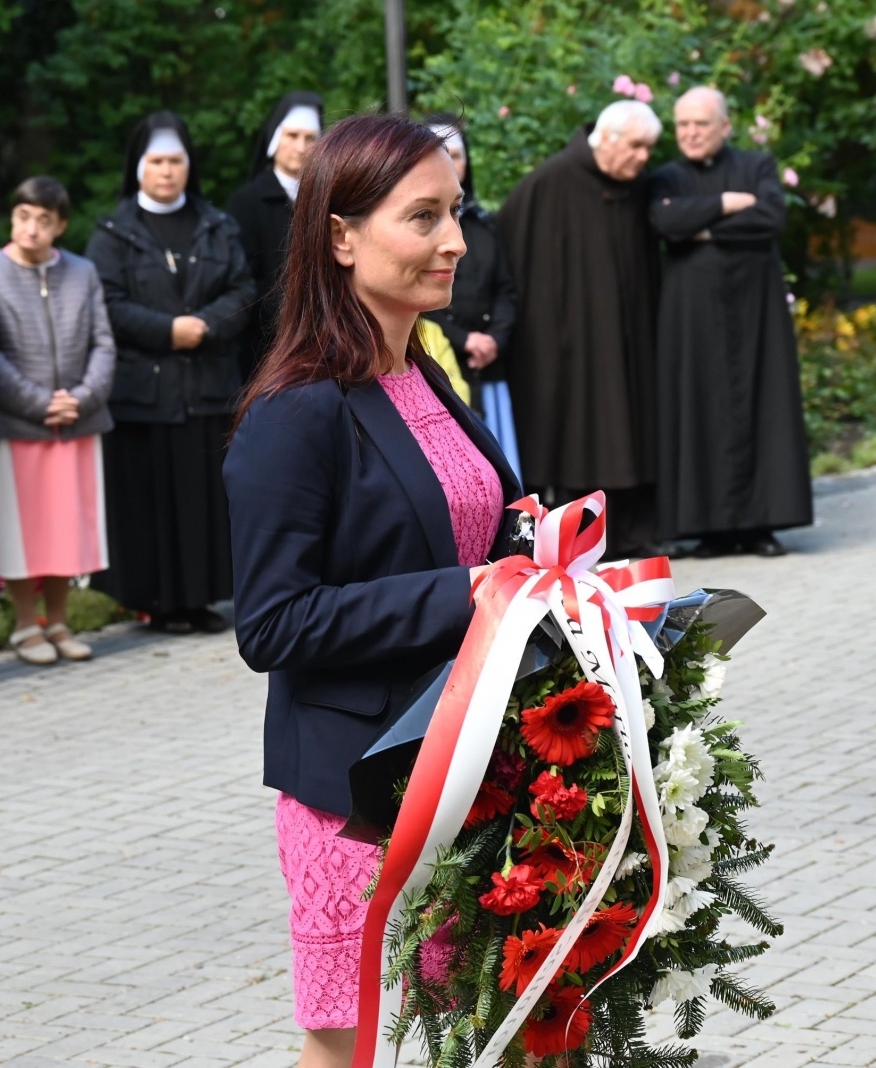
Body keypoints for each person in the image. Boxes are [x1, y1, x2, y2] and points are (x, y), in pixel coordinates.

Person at [225, 114, 521, 1068]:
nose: (456, 240)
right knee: (347, 1044)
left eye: (457, 212)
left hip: (464, 765)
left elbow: (468, 518)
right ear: (342, 236)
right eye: (424, 216)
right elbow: (272, 623)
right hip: (360, 786)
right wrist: (463, 593)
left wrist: (533, 537)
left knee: (476, 1026)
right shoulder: (297, 411)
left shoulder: (419, 374)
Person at [87, 112, 255, 635]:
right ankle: (157, 602)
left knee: (201, 497)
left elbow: (244, 290)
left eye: (175, 161)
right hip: (144, 389)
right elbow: (106, 302)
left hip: (208, 384)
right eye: (156, 161)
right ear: (138, 167)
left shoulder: (217, 225)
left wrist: (204, 325)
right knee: (151, 499)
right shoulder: (113, 233)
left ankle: (200, 598)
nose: (166, 171)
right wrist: (167, 330)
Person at [650, 87, 813, 557]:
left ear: (725, 126)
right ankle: (710, 530)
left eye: (701, 124)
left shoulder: (758, 165)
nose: (691, 133)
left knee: (762, 405)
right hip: (693, 318)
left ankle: (761, 525)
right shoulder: (667, 177)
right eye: (683, 125)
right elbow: (664, 223)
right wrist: (725, 204)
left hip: (753, 312)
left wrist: (698, 228)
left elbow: (770, 216)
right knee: (699, 409)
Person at [498, 100, 662, 552]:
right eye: (636, 146)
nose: (644, 157)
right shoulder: (549, 184)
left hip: (628, 340)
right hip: (569, 347)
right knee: (578, 438)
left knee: (632, 428)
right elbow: (508, 258)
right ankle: (583, 540)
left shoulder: (637, 187)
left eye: (649, 148)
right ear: (606, 139)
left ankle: (635, 531)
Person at [0, 177, 116, 664]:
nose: (31, 229)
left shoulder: (83, 272)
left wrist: (82, 397)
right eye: (23, 218)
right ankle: (24, 624)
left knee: (66, 527)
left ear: (60, 225)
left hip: (77, 421)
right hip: (18, 424)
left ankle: (58, 621)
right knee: (19, 527)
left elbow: (104, 343)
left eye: (43, 220)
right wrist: (39, 403)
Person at [419, 115, 520, 477]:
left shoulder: (482, 223)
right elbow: (417, 293)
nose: (450, 161)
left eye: (456, 154)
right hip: (439, 361)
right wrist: (463, 340)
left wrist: (494, 340)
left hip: (488, 367)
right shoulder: (415, 225)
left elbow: (505, 289)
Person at [226, 92, 323, 379]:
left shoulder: (328, 199)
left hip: (326, 343)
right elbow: (242, 283)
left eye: (310, 138)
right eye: (292, 135)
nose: (300, 147)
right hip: (265, 349)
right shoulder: (246, 202)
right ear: (274, 139)